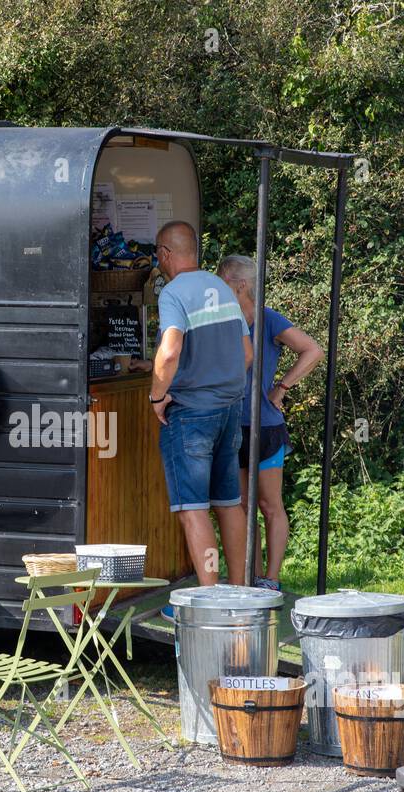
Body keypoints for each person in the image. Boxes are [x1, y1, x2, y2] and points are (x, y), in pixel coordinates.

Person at [141, 221, 253, 607]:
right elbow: (248, 354)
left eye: (157, 251)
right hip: (229, 410)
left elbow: (169, 352)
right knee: (228, 502)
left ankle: (210, 599)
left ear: (166, 254)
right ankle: (240, 594)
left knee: (193, 510)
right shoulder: (221, 287)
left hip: (190, 414)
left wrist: (158, 396)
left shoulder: (173, 293)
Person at [217, 255, 324, 591]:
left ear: (240, 285)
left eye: (221, 282)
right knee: (241, 506)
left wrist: (282, 387)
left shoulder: (267, 319)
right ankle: (251, 576)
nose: (216, 289)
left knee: (269, 504)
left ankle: (272, 579)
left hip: (265, 427)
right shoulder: (221, 320)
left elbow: (312, 351)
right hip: (232, 425)